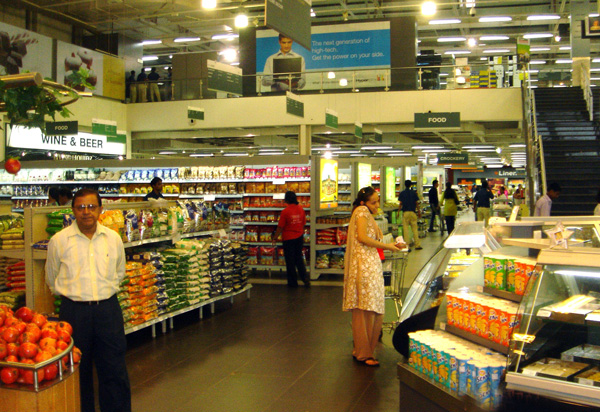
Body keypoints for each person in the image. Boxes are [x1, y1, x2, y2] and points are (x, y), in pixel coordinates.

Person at [45, 188, 131, 412]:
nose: (86, 212)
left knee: (114, 370)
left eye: (92, 207)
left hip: (108, 311)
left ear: (100, 209)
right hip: (74, 314)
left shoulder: (113, 239)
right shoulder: (59, 241)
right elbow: (51, 278)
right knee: (76, 371)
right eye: (81, 207)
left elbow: (119, 272)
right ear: (73, 210)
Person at [343, 187, 405, 367]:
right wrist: (388, 247)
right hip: (364, 266)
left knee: (369, 307)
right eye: (373, 202)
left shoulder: (365, 213)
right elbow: (362, 237)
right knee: (367, 308)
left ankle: (363, 350)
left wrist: (391, 244)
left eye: (378, 201)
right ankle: (364, 352)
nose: (377, 205)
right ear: (363, 202)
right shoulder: (362, 212)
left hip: (369, 265)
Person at [273, 191, 309, 287]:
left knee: (290, 261)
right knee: (299, 259)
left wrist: (275, 238)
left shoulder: (285, 211)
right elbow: (304, 223)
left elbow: (280, 227)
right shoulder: (301, 209)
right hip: (299, 237)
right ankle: (304, 278)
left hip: (288, 239)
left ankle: (293, 282)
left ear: (286, 199)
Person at [398, 180, 421, 251]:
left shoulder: (402, 193)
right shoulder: (413, 193)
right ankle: (417, 245)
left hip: (405, 213)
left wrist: (398, 212)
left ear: (405, 185)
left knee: (406, 230)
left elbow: (400, 203)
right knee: (415, 229)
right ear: (411, 185)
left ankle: (407, 246)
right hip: (412, 212)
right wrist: (419, 211)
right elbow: (416, 203)